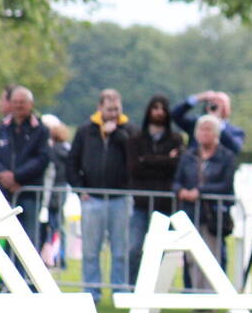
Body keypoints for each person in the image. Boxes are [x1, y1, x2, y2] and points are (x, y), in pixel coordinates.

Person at [69, 89, 136, 301]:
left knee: (120, 250)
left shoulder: (130, 130)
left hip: (120, 198)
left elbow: (134, 157)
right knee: (90, 249)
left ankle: (119, 291)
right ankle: (91, 291)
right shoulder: (85, 131)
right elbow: (72, 161)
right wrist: (80, 189)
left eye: (117, 109)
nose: (113, 113)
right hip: (93, 198)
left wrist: (116, 134)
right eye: (109, 109)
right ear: (100, 108)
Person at [173, 114, 237, 290]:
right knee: (192, 257)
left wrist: (200, 192)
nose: (204, 133)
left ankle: (212, 295)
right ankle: (196, 293)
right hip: (190, 212)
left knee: (212, 255)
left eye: (208, 129)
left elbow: (226, 184)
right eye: (201, 129)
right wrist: (182, 191)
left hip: (213, 214)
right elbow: (177, 180)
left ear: (216, 133)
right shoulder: (188, 156)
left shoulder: (226, 156)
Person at [0, 86, 51, 247]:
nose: (19, 106)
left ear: (31, 104)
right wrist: (2, 173)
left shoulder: (40, 130)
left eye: (23, 102)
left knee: (27, 241)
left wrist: (17, 176)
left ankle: (24, 273)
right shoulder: (2, 128)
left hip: (28, 193)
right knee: (0, 241)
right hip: (3, 193)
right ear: (10, 104)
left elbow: (42, 158)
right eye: (15, 102)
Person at [127, 94, 184, 286]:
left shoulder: (175, 139)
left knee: (160, 249)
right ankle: (132, 286)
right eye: (155, 108)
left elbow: (176, 166)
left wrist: (147, 160)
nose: (159, 112)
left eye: (162, 108)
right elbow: (135, 167)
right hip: (141, 202)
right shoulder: (136, 139)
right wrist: (164, 159)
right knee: (135, 247)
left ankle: (153, 287)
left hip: (165, 203)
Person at [40, 114, 72, 269]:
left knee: (55, 226)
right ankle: (56, 258)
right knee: (55, 226)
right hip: (55, 192)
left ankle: (58, 257)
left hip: (55, 192)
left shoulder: (56, 149)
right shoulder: (64, 148)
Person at [172, 90, 245, 154]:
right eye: (213, 103)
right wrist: (198, 98)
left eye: (221, 103)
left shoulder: (236, 131)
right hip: (194, 165)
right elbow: (175, 115)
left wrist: (217, 122)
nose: (216, 105)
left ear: (228, 107)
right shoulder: (197, 124)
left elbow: (235, 149)